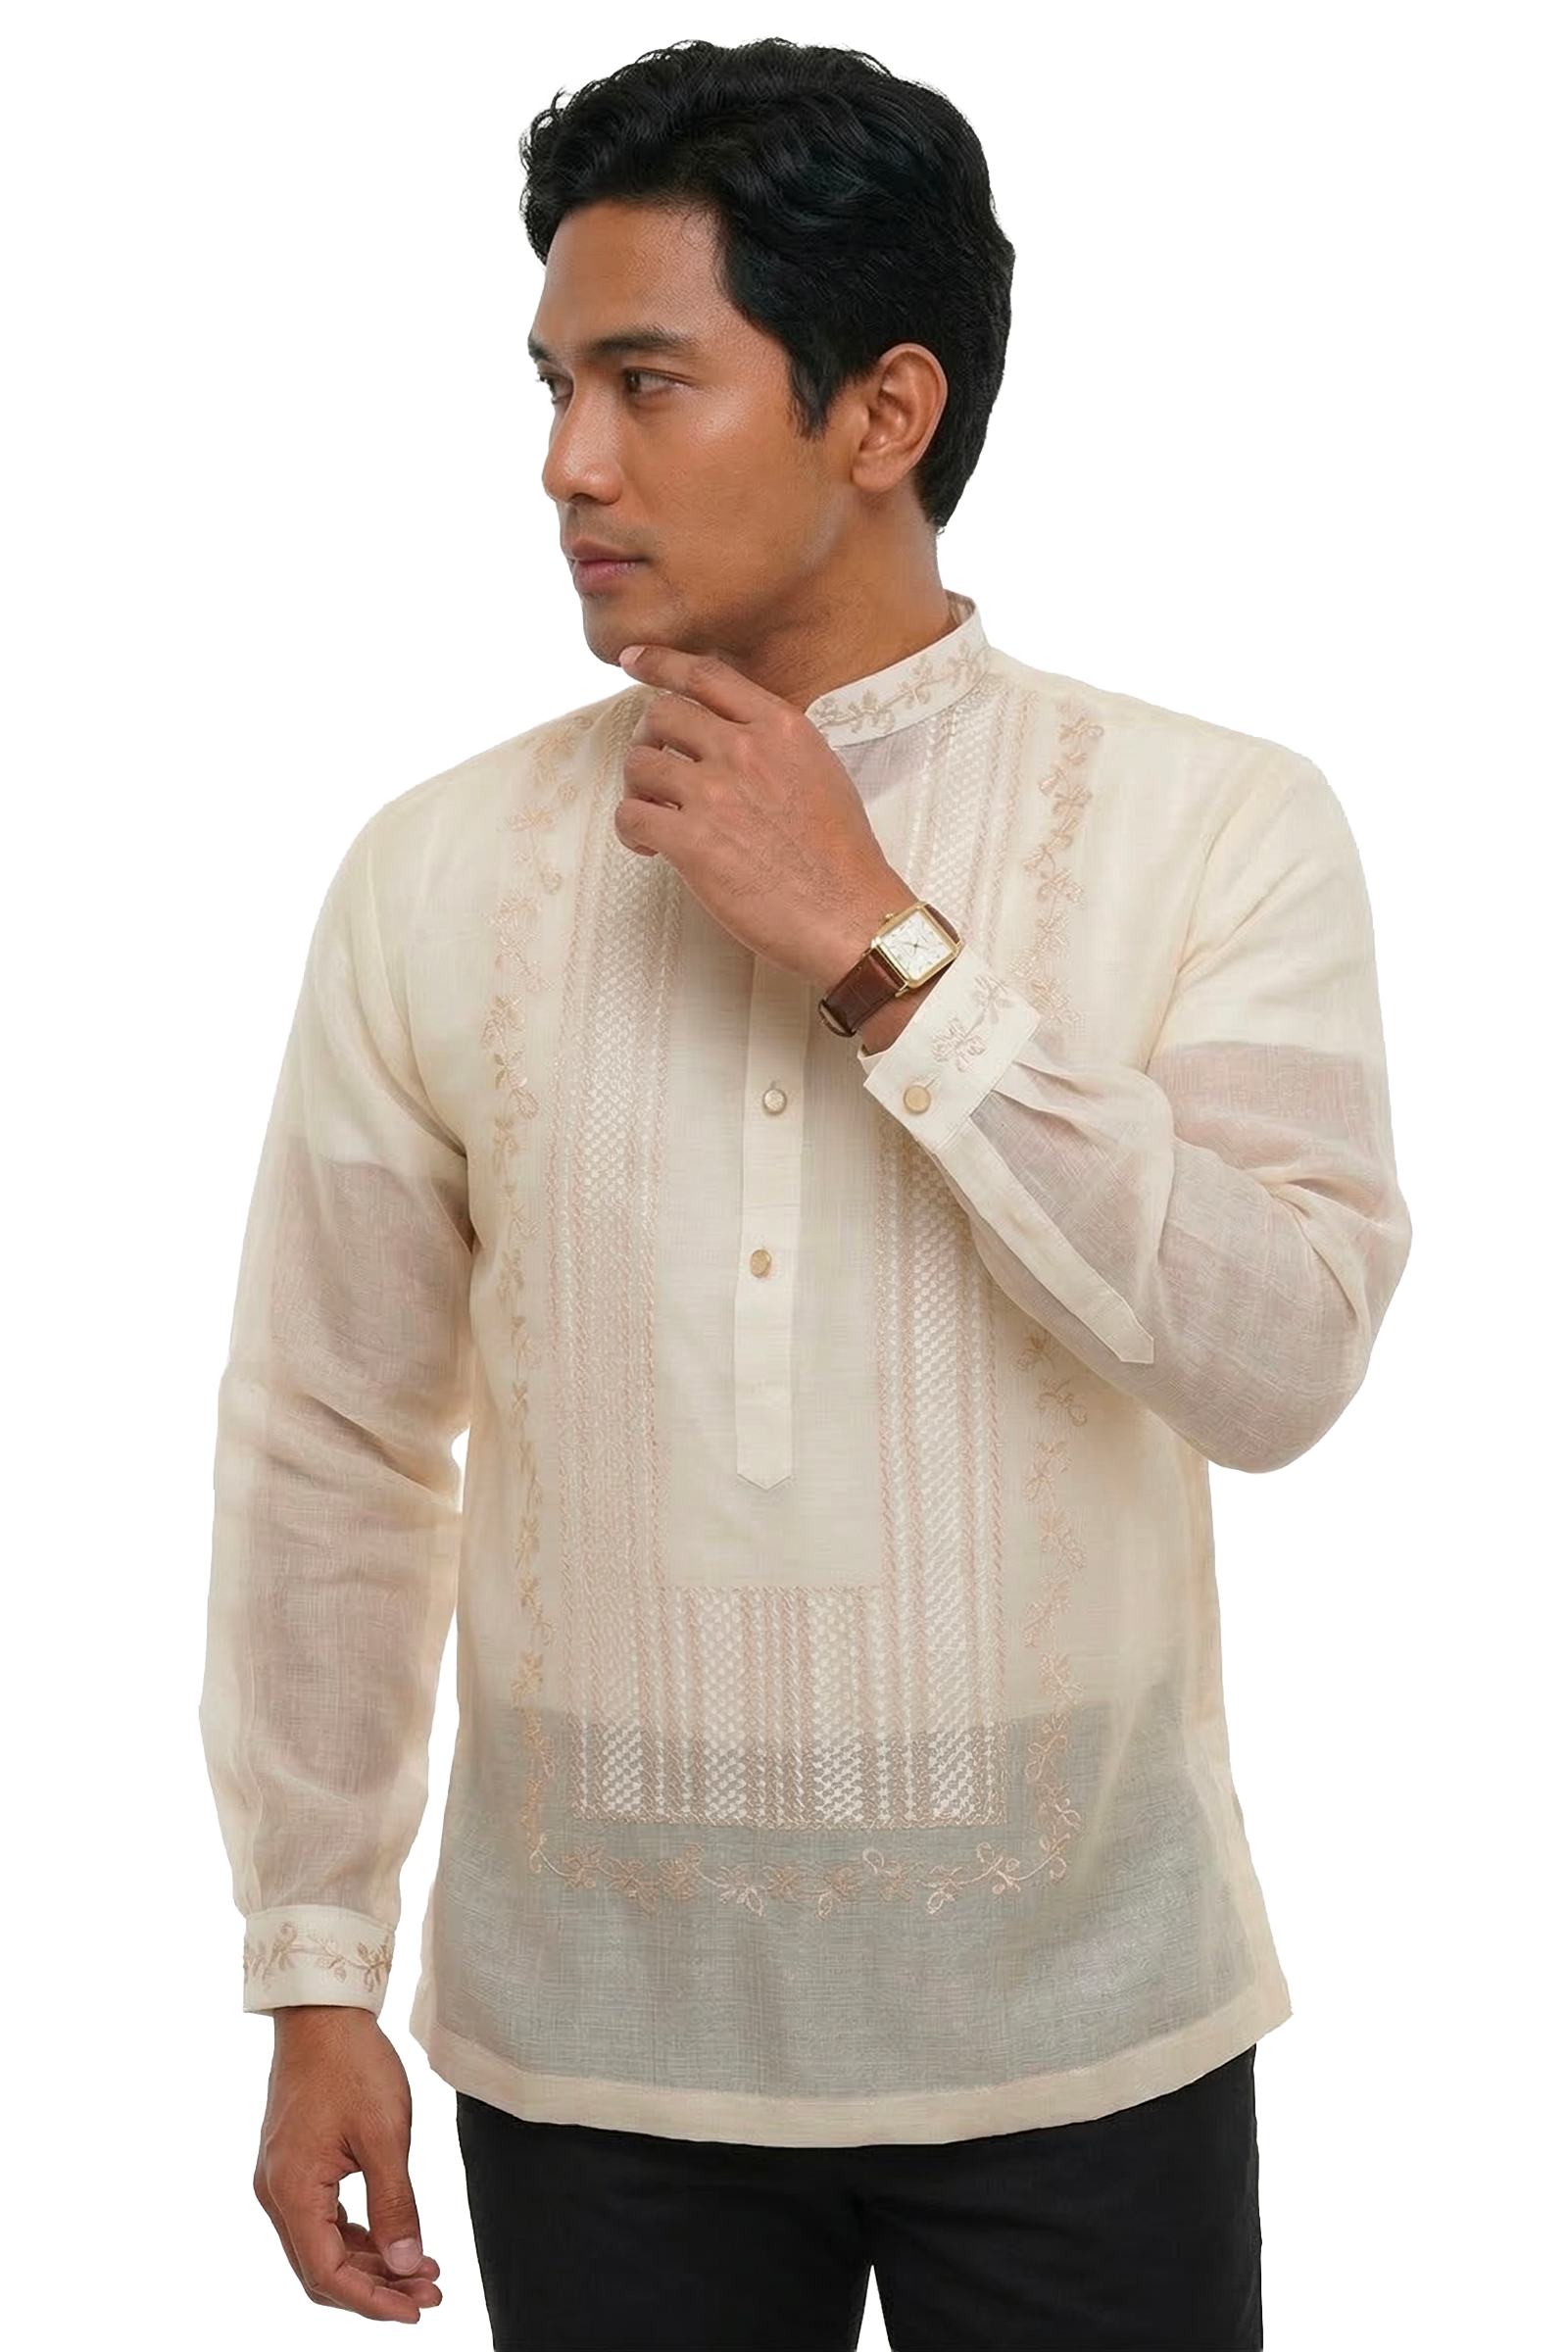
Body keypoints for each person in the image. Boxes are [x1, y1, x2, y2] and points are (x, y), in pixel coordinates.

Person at [199, 35, 1413, 2351]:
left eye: (646, 382)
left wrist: (878, 947)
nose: (566, 462)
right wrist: (311, 1968)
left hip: (1084, 2037)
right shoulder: (432, 868)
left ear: (883, 412)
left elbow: (1278, 1364)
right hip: (590, 2055)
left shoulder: (1216, 826)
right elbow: (329, 1445)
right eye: (554, 386)